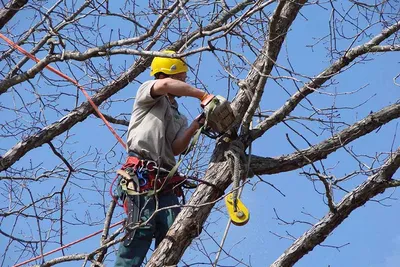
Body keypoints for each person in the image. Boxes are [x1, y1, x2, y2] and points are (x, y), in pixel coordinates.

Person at [114, 51, 208, 267]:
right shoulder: (148, 92)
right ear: (170, 73)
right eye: (182, 77)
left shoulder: (178, 116)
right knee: (140, 230)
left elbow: (176, 148)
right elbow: (164, 86)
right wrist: (203, 96)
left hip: (165, 182)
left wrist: (196, 125)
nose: (185, 82)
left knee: (174, 233)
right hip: (141, 176)